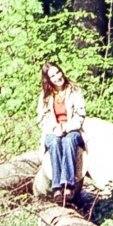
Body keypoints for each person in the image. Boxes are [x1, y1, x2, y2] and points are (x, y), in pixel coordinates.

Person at [36, 63, 86, 200]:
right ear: (48, 79)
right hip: (53, 131)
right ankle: (57, 187)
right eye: (53, 76)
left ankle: (68, 185)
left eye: (58, 72)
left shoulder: (75, 90)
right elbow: (41, 119)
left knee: (69, 140)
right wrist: (54, 128)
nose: (57, 77)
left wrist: (66, 128)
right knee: (54, 142)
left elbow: (80, 115)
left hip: (72, 129)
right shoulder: (45, 96)